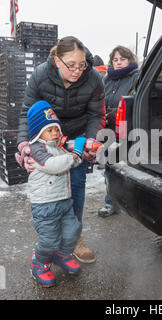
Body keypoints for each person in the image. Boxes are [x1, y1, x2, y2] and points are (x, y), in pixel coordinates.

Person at [16, 36, 106, 263]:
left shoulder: (94, 78)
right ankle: (49, 239)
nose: (78, 70)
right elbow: (27, 111)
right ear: (57, 61)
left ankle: (73, 239)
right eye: (71, 65)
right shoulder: (39, 75)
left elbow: (97, 115)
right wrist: (24, 144)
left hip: (76, 138)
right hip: (47, 141)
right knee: (48, 191)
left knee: (75, 188)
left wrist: (90, 142)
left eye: (82, 65)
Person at [27, 100, 87, 287]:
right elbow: (54, 165)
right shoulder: (37, 149)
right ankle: (39, 262)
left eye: (56, 129)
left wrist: (80, 155)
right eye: (49, 130)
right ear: (38, 132)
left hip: (63, 200)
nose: (55, 133)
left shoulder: (57, 147)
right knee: (50, 240)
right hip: (45, 205)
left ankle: (62, 254)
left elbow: (70, 162)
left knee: (72, 231)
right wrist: (75, 153)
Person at [98, 45, 139, 218]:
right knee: (110, 169)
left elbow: (135, 102)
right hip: (109, 132)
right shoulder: (107, 79)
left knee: (130, 171)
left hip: (127, 132)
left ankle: (135, 205)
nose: (119, 62)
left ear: (129, 60)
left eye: (122, 59)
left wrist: (115, 112)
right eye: (115, 60)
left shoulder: (137, 77)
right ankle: (111, 203)